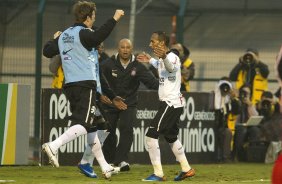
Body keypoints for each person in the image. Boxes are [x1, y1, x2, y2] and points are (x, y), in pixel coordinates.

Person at [42, 1, 125, 179]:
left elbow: (47, 50)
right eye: (93, 16)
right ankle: (54, 145)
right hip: (84, 85)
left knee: (95, 125)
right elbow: (98, 36)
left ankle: (103, 166)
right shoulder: (84, 33)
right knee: (85, 124)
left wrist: (55, 38)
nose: (94, 20)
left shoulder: (65, 34)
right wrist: (115, 19)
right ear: (88, 18)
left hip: (71, 85)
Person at [137, 31, 195, 181]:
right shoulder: (163, 59)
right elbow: (161, 66)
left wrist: (162, 57)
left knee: (150, 135)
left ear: (161, 43)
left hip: (171, 103)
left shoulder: (172, 57)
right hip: (170, 102)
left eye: (153, 41)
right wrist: (150, 60)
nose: (150, 44)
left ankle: (158, 173)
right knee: (171, 137)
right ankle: (186, 169)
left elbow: (171, 68)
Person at [100, 38, 159, 171]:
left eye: (128, 47)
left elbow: (153, 83)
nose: (125, 50)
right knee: (108, 131)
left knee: (126, 128)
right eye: (123, 47)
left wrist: (168, 85)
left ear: (131, 49)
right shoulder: (107, 64)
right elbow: (97, 79)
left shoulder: (137, 66)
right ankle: (109, 162)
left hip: (129, 104)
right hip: (111, 103)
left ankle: (121, 161)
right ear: (118, 48)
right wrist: (101, 95)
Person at [213, 77, 241, 163]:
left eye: (227, 86)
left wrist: (234, 98)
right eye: (223, 86)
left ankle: (228, 157)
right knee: (227, 132)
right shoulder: (213, 96)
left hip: (224, 127)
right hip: (213, 126)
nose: (225, 88)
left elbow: (236, 111)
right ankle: (225, 157)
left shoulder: (230, 100)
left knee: (230, 132)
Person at [233, 84, 260, 161]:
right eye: (244, 92)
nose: (245, 95)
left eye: (247, 93)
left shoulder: (250, 104)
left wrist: (250, 105)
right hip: (237, 126)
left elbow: (255, 116)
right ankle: (238, 155)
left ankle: (252, 155)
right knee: (242, 130)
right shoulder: (236, 101)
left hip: (247, 126)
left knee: (255, 130)